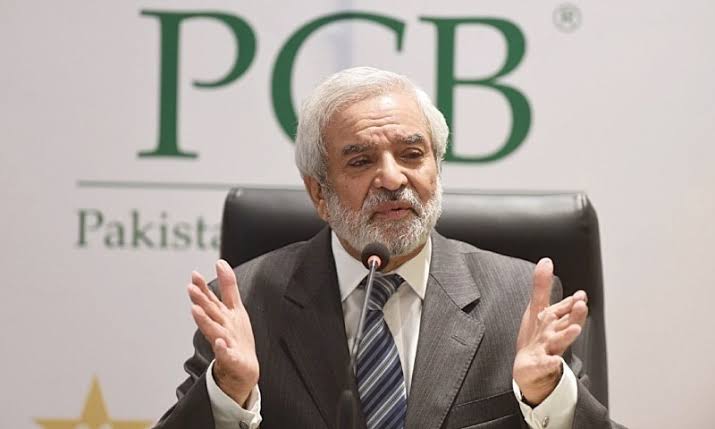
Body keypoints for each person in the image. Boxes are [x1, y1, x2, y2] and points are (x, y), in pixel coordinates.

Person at [156, 67, 624, 429]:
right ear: (319, 193)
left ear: (437, 169)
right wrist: (229, 393)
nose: (393, 178)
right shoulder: (250, 302)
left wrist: (548, 397)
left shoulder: (515, 299)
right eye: (361, 160)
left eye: (412, 154)